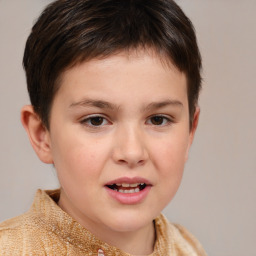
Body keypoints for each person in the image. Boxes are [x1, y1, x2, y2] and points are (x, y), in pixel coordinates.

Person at [0, 0, 207, 255]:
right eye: (96, 120)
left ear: (189, 132)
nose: (132, 153)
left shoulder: (188, 248)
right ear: (42, 135)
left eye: (158, 119)